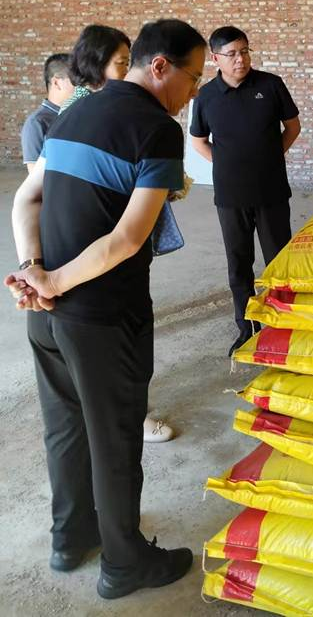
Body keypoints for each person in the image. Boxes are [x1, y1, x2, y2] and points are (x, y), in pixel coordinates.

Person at [4, 18, 206, 599]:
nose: (194, 92)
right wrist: (53, 280)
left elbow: (27, 198)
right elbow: (126, 240)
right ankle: (123, 564)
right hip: (103, 317)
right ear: (160, 66)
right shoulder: (157, 131)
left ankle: (70, 538)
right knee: (115, 439)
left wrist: (34, 272)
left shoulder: (73, 112)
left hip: (47, 316)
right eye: (194, 77)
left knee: (65, 427)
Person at [60, 23, 173, 444]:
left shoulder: (105, 109)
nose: (128, 72)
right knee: (112, 364)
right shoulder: (84, 110)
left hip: (95, 259)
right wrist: (48, 279)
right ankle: (133, 418)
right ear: (96, 64)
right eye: (122, 63)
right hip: (91, 262)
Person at [190, 26, 301, 356]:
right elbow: (198, 141)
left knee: (279, 262)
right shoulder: (206, 96)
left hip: (271, 191)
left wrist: (270, 157)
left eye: (244, 51)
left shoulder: (270, 85)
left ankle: (283, 324)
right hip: (230, 196)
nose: (240, 59)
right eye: (232, 54)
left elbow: (292, 127)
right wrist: (226, 164)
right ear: (216, 58)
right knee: (239, 263)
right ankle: (247, 326)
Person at [60, 24, 131, 113]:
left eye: (127, 64)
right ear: (96, 63)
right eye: (121, 63)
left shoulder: (112, 100)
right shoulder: (74, 108)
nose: (126, 72)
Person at [21, 54, 74, 171]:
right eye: (75, 80)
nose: (81, 86)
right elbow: (35, 173)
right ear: (56, 83)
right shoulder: (36, 123)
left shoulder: (76, 114)